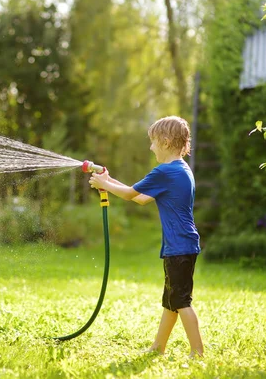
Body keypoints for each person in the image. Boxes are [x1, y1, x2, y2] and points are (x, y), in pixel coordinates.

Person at [88, 115, 203, 358]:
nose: (151, 147)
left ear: (166, 141)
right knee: (171, 302)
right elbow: (141, 197)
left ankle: (198, 353)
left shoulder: (165, 171)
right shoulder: (181, 169)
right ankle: (158, 347)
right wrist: (108, 181)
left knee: (181, 301)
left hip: (180, 247)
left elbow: (130, 194)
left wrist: (105, 184)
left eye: (152, 142)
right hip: (181, 246)